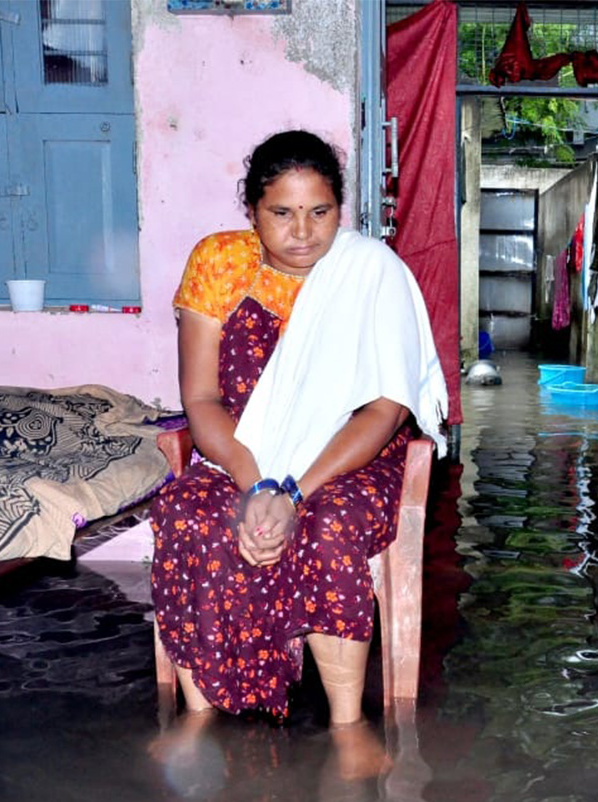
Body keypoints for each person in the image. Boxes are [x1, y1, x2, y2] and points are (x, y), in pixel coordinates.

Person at [150, 130, 447, 727]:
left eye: (321, 212)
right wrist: (255, 481)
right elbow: (203, 398)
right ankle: (199, 711)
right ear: (251, 212)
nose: (304, 232)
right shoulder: (220, 263)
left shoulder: (369, 272)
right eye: (281, 213)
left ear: (343, 210)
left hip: (348, 457)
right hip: (238, 451)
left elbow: (382, 411)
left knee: (331, 525)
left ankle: (346, 722)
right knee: (188, 515)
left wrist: (290, 493)